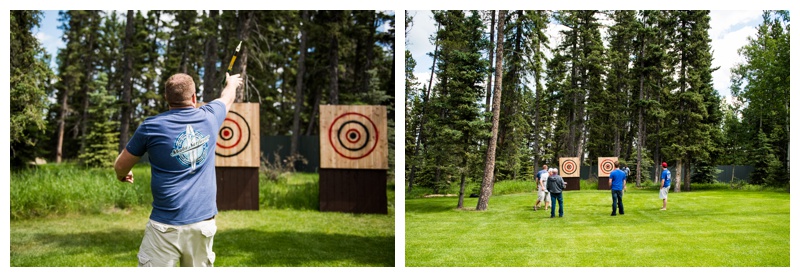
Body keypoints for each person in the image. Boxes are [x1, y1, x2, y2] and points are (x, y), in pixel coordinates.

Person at [114, 72, 243, 267]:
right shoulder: (210, 117)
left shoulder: (151, 126)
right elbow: (227, 97)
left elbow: (121, 165)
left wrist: (123, 174)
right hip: (202, 225)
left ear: (166, 98)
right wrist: (231, 82)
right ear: (194, 97)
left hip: (164, 227)